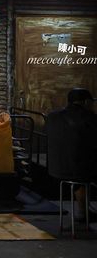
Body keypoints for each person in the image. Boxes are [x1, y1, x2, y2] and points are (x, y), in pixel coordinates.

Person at [46, 88, 97, 221]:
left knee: (80, 168)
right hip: (78, 169)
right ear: (86, 102)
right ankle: (83, 211)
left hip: (56, 168)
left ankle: (83, 211)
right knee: (84, 171)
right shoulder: (89, 117)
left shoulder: (53, 116)